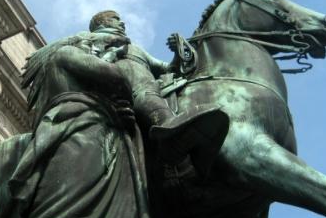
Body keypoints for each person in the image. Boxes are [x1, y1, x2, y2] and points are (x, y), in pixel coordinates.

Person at [6, 34, 159, 218]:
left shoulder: (65, 67)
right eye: (92, 45)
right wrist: (114, 59)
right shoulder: (65, 53)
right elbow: (115, 76)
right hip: (81, 134)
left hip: (82, 130)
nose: (94, 48)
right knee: (69, 217)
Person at [89, 10, 229, 169]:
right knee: (145, 95)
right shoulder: (93, 39)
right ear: (101, 23)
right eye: (115, 19)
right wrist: (111, 56)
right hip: (125, 90)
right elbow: (88, 62)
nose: (122, 23)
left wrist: (177, 51)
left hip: (151, 86)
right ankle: (169, 130)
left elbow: (168, 69)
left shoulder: (134, 48)